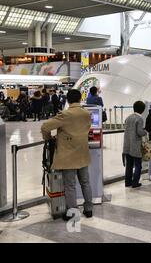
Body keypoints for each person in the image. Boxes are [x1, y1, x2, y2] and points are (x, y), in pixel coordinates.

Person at [41, 89, 93, 221]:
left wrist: (48, 138)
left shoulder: (65, 114)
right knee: (85, 182)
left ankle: (73, 211)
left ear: (68, 100)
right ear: (80, 99)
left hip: (68, 155)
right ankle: (88, 209)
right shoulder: (87, 114)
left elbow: (45, 127)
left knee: (70, 185)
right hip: (83, 152)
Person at [123, 101, 147, 188]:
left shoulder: (128, 117)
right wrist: (145, 132)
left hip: (127, 145)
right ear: (142, 110)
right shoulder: (139, 119)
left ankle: (128, 182)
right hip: (135, 145)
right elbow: (139, 132)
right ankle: (135, 182)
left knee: (129, 165)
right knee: (138, 165)